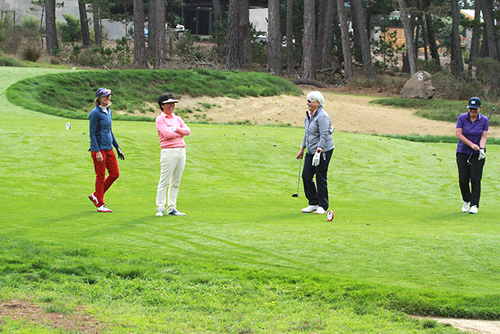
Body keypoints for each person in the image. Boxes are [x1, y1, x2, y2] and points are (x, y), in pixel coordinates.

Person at [296, 91, 335, 215]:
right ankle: (313, 202)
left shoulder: (322, 116)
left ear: (318, 103)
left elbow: (324, 135)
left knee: (320, 177)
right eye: (307, 101)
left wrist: (319, 150)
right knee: (306, 176)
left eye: (310, 101)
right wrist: (302, 148)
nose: (307, 104)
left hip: (323, 150)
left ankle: (323, 205)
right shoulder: (309, 115)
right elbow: (307, 134)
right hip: (311, 150)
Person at [88, 88, 124, 213]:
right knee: (100, 176)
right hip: (99, 149)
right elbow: (92, 133)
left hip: (109, 148)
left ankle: (96, 195)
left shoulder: (108, 111)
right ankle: (100, 203)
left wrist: (117, 147)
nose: (108, 99)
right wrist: (97, 151)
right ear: (99, 99)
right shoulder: (95, 113)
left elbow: (109, 131)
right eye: (105, 97)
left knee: (115, 174)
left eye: (109, 96)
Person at [155, 93, 191, 217]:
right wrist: (179, 132)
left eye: (173, 103)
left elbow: (187, 131)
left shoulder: (177, 118)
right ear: (162, 105)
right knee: (164, 180)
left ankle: (172, 207)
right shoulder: (160, 119)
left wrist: (175, 129)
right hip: (168, 151)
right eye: (169, 104)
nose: (172, 106)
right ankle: (160, 207)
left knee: (176, 181)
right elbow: (167, 135)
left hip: (181, 150)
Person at [455, 96, 489, 214]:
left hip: (477, 154)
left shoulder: (484, 120)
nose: (473, 112)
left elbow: (483, 137)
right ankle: (467, 200)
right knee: (463, 180)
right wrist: (471, 144)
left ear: (480, 108)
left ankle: (474, 205)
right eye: (471, 110)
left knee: (475, 179)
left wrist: (482, 149)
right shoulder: (462, 118)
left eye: (475, 110)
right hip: (463, 152)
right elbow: (459, 134)